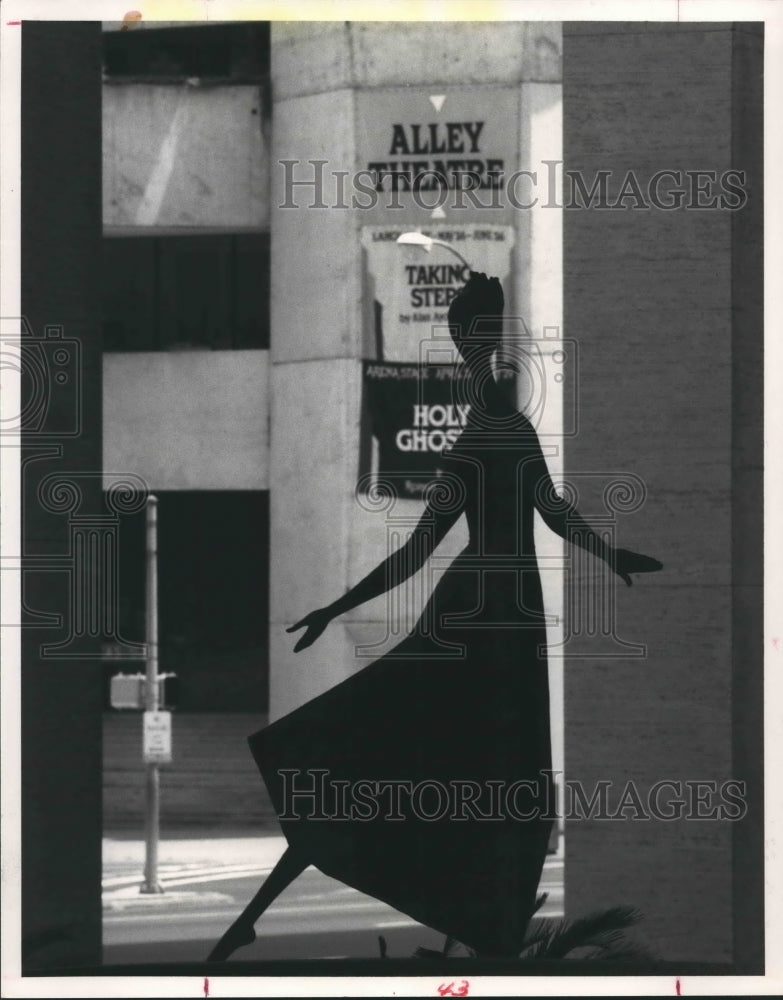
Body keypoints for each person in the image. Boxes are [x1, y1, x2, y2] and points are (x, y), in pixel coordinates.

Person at [207, 272, 662, 962]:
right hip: (487, 612)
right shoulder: (489, 432)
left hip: (495, 609)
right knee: (435, 766)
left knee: (470, 775)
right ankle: (479, 928)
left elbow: (540, 515)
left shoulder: (498, 428)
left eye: (482, 340)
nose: (479, 356)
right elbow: (427, 547)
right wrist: (337, 606)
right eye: (470, 341)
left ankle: (479, 929)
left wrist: (607, 553)